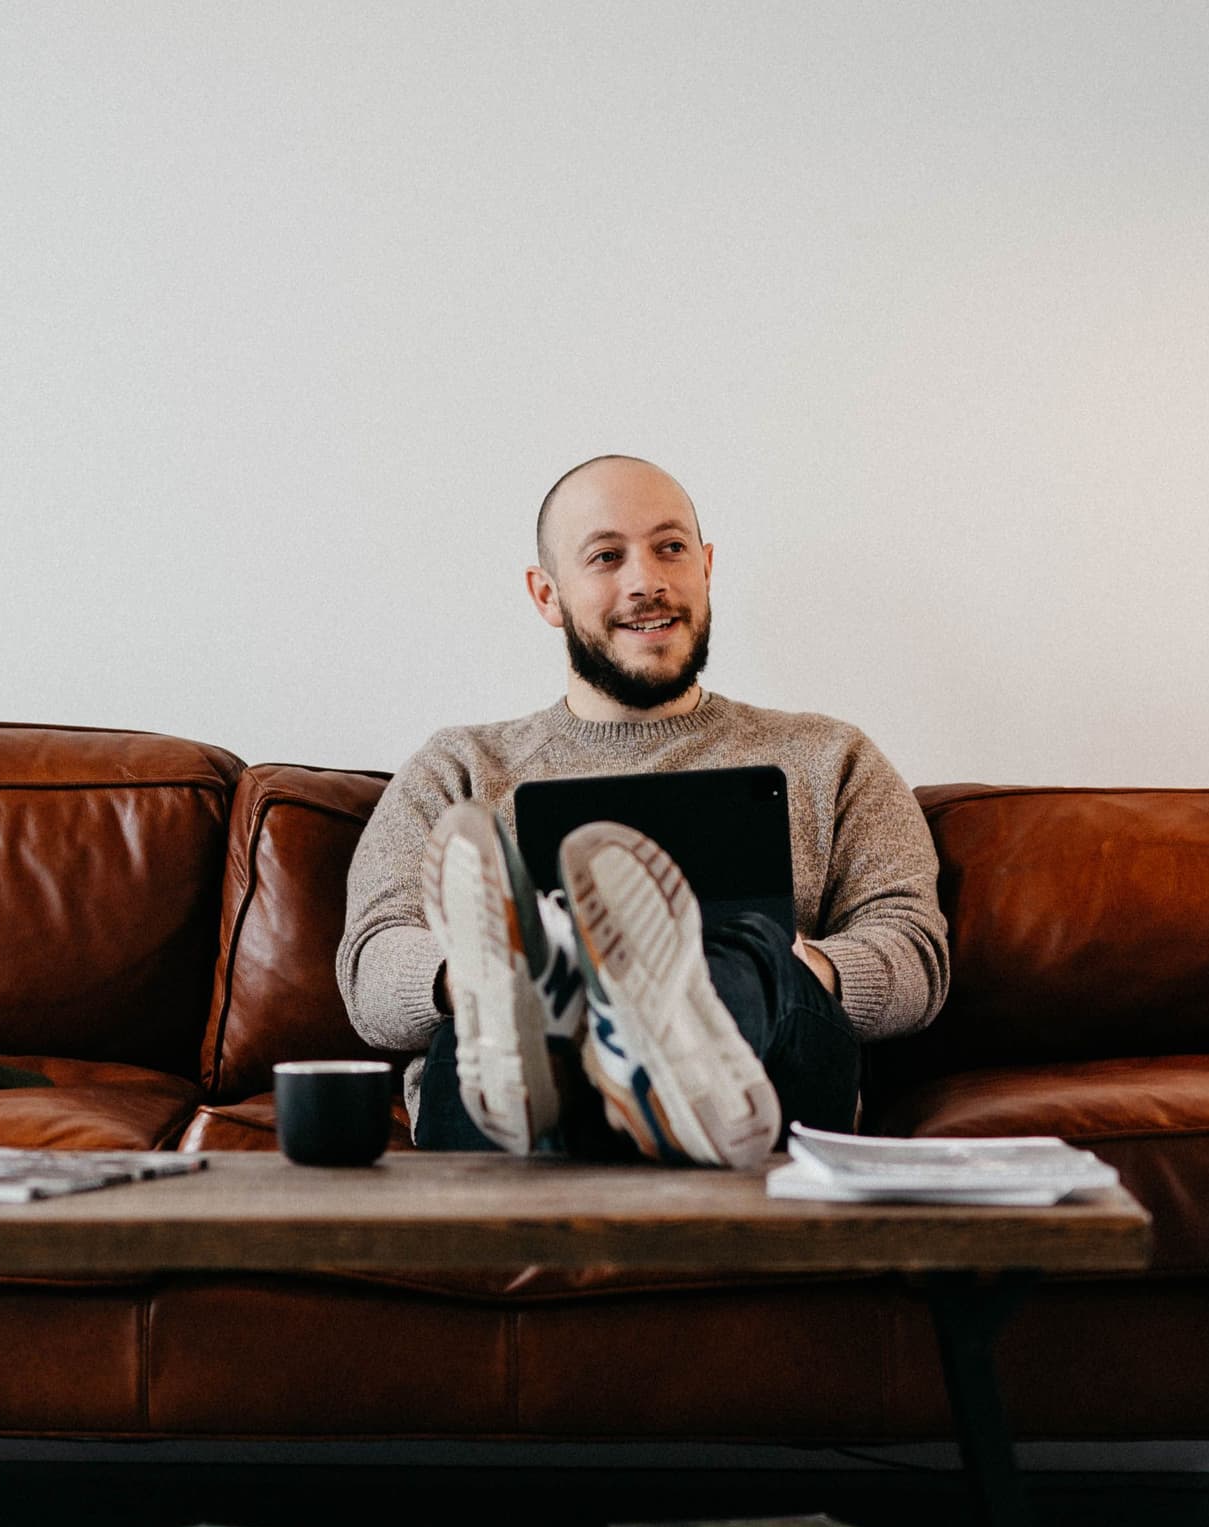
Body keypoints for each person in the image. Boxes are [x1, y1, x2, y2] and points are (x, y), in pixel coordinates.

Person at [337, 454, 950, 1168]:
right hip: (531, 1125)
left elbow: (915, 951)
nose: (647, 580)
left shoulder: (831, 756)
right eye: (606, 556)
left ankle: (667, 1007)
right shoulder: (460, 769)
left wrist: (772, 971)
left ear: (707, 566)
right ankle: (556, 1006)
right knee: (500, 1005)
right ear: (547, 594)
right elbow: (371, 967)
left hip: (765, 1075)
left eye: (671, 547)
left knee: (757, 963)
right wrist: (479, 974)